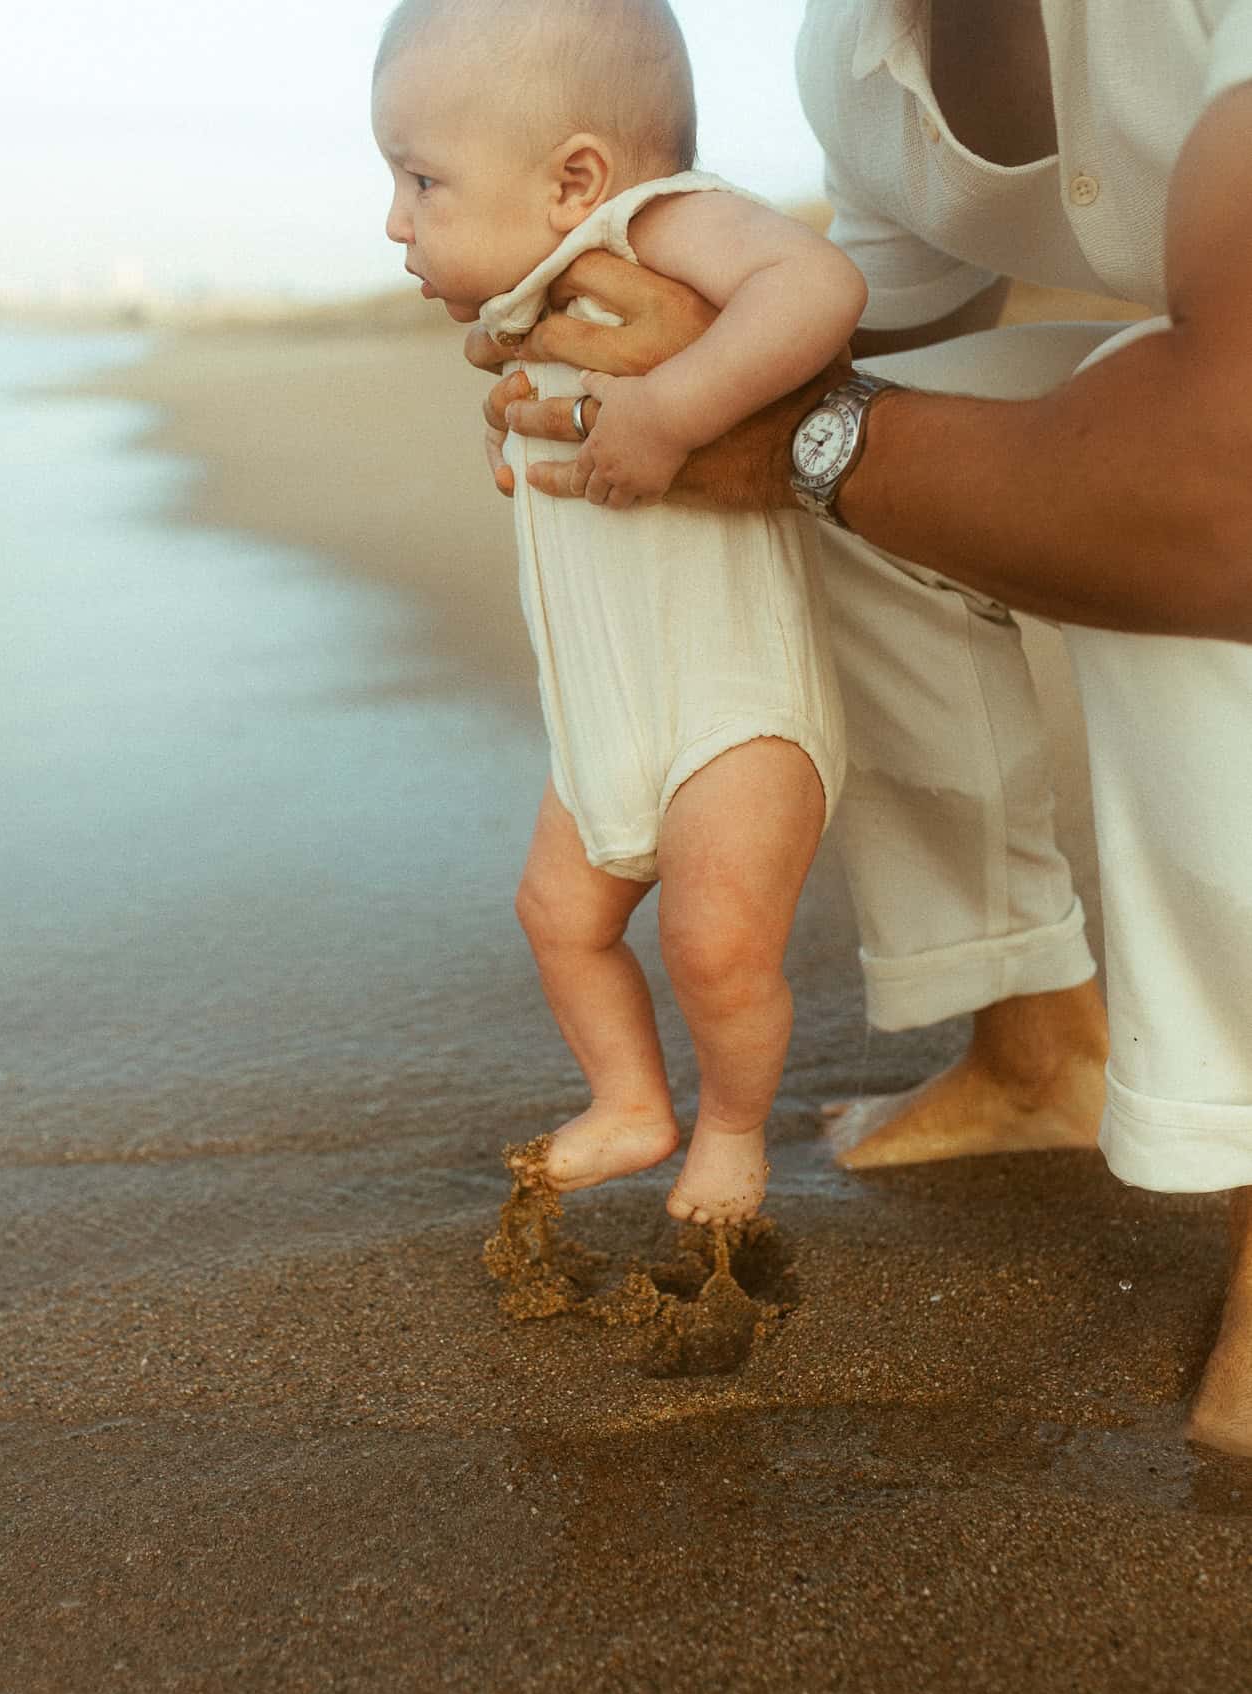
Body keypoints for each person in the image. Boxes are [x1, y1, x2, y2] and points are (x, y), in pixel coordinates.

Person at [467, 0, 1252, 1455]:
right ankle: (1035, 1044)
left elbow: (1229, 483)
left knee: (1137, 467)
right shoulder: (859, 54)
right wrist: (653, 372)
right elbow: (856, 357)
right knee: (834, 474)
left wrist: (804, 426)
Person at [372, 0, 869, 1223]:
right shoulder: (534, 303)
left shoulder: (653, 222)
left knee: (716, 943)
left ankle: (735, 1133)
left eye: (422, 179)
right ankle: (633, 1099)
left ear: (574, 179)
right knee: (557, 914)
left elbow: (816, 282)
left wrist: (677, 408)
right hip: (603, 716)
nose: (395, 221)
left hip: (732, 704)